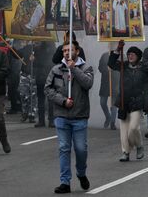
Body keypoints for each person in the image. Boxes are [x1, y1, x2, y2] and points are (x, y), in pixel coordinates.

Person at [44, 41, 94, 194]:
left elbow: (88, 83)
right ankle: (65, 181)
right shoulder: (56, 69)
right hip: (61, 115)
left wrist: (74, 69)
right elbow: (48, 89)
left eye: (70, 50)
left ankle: (81, 172)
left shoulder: (86, 68)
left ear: (77, 51)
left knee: (80, 149)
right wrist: (63, 101)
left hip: (79, 116)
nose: (66, 53)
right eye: (64, 50)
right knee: (64, 148)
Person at [108, 41, 148, 161]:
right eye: (128, 54)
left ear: (138, 56)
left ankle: (139, 146)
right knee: (124, 131)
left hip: (138, 102)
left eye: (133, 54)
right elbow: (111, 63)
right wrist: (118, 50)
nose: (130, 56)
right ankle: (126, 152)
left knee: (133, 128)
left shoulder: (144, 68)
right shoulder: (123, 66)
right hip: (123, 101)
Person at [98, 51, 118, 130]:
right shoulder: (105, 55)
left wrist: (113, 68)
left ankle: (112, 122)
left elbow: (123, 68)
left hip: (116, 82)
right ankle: (108, 117)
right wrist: (106, 69)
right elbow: (100, 68)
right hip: (105, 83)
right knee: (102, 102)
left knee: (114, 104)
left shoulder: (120, 55)